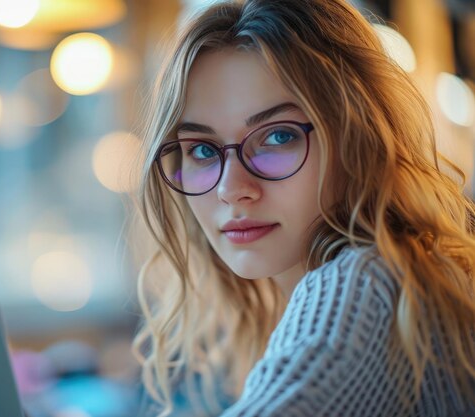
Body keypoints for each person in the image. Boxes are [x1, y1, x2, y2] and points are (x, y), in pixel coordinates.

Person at [129, 0, 475, 416]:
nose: (231, 189)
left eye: (277, 136)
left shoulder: (365, 284)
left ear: (356, 136)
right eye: (201, 149)